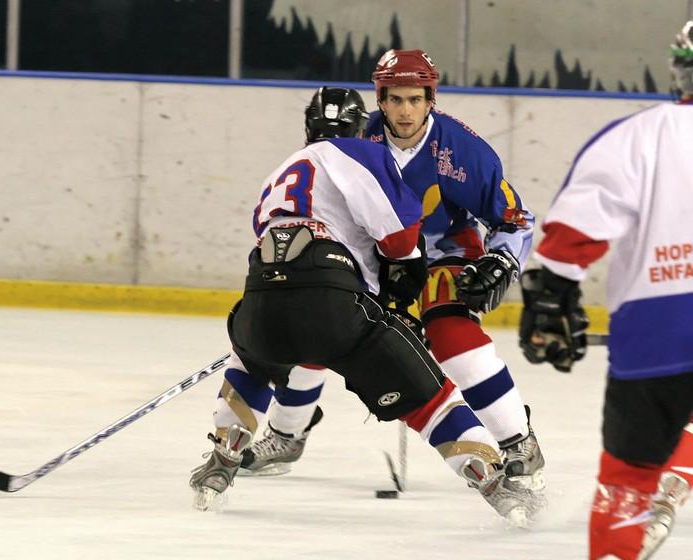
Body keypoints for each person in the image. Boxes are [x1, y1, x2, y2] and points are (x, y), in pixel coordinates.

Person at [189, 86, 540, 525]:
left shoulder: (281, 170)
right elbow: (399, 240)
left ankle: (222, 460)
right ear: (362, 125)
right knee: (430, 401)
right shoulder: (362, 154)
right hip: (335, 303)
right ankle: (496, 484)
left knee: (252, 364)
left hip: (261, 295)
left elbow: (266, 238)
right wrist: (400, 287)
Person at [518, 20, 693, 559]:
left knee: (625, 481)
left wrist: (553, 298)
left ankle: (631, 521)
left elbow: (575, 231)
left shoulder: (641, 135)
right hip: (656, 334)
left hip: (656, 334)